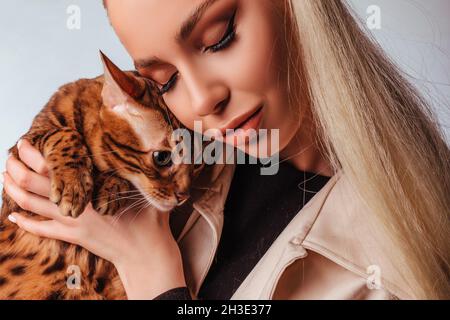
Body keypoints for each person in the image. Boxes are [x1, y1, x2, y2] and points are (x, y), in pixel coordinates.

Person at [2, 0, 449, 300]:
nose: (199, 101)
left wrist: (150, 268)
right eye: (165, 80)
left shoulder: (395, 264)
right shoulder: (195, 154)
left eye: (219, 38)